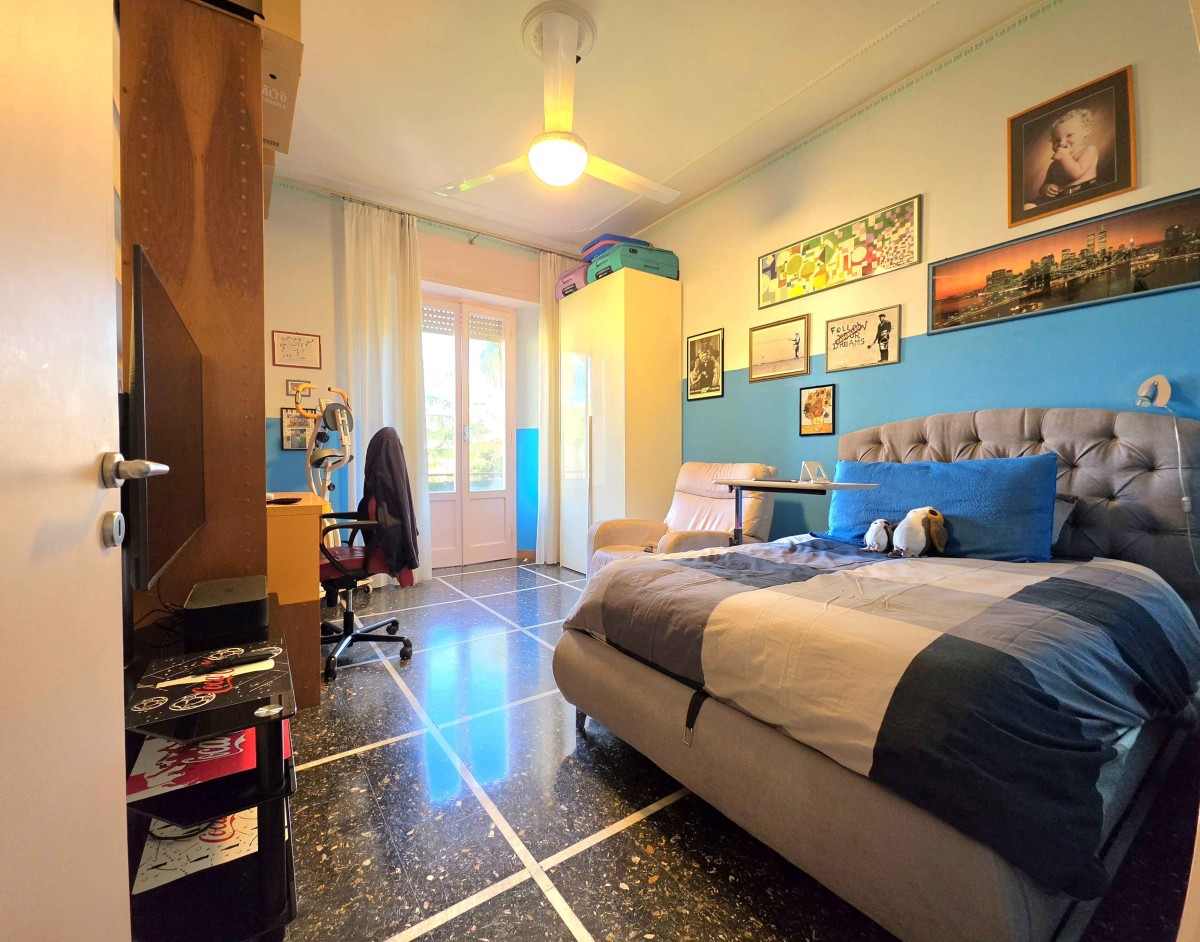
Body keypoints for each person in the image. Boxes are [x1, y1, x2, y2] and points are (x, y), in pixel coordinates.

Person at [1035, 109, 1099, 205]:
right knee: (1029, 206)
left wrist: (1064, 156)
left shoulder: (1089, 150)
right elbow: (1043, 186)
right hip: (1061, 197)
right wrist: (1046, 188)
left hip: (1084, 192)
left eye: (1069, 135)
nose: (1062, 143)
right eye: (1057, 140)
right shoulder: (1054, 165)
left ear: (1086, 130)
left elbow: (1076, 174)